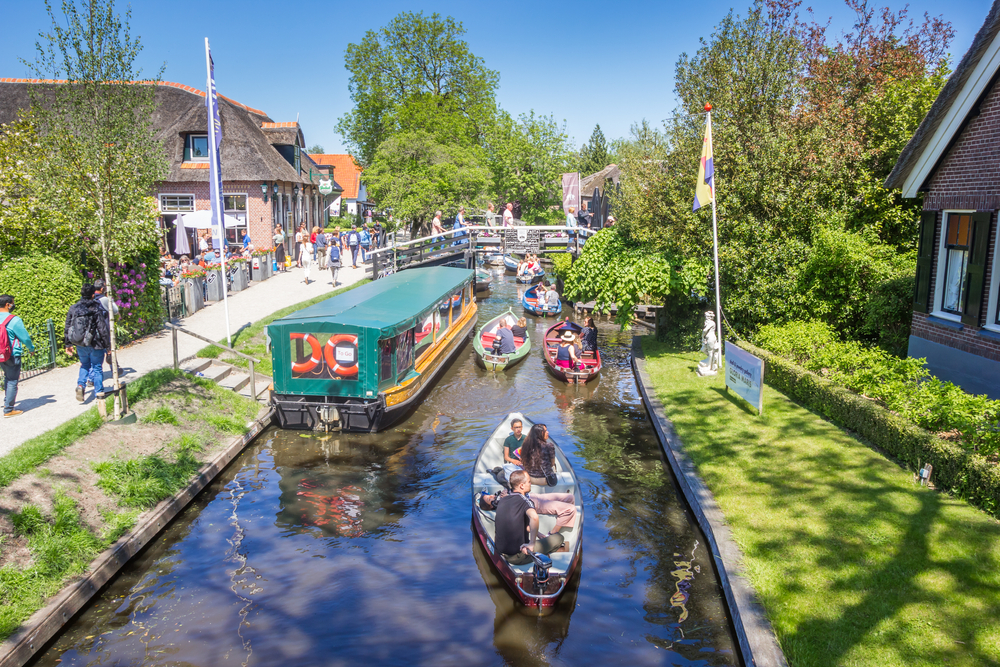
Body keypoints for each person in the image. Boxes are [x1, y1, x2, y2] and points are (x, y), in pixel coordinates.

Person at [491, 469, 565, 565]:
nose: (531, 484)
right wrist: (532, 544)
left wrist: (538, 534)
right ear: (522, 485)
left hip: (501, 552)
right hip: (518, 555)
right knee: (559, 538)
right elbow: (534, 517)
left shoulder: (503, 500)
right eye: (529, 482)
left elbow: (524, 525)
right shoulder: (525, 500)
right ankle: (542, 555)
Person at [64, 284, 110, 403]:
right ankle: (99, 393)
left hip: (80, 343)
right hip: (96, 343)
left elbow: (68, 327)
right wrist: (108, 346)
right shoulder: (95, 308)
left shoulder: (73, 308)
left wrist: (68, 344)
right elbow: (102, 328)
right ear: (93, 294)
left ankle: (81, 386)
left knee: (84, 365)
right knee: (97, 368)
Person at [0, 295, 36, 418]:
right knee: (12, 380)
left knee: (7, 377)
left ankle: (6, 403)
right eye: (12, 303)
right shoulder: (14, 320)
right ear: (7, 305)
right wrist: (31, 348)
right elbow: (25, 337)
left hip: (0, 354)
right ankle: (8, 409)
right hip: (11, 354)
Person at [93, 279, 121, 380]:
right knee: (109, 350)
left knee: (95, 356)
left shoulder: (90, 299)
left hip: (93, 331)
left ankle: (91, 378)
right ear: (102, 288)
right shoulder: (104, 299)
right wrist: (110, 299)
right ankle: (115, 370)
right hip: (104, 328)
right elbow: (115, 310)